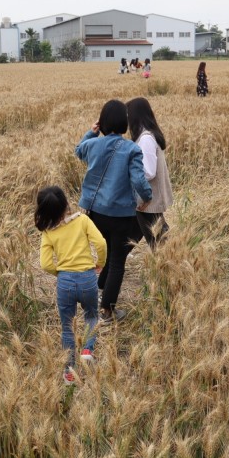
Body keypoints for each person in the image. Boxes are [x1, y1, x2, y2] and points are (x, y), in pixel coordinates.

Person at [75, 100, 152, 323]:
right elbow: (138, 179)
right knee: (117, 261)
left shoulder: (93, 145)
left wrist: (91, 133)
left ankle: (100, 287)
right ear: (125, 123)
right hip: (121, 215)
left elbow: (78, 150)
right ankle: (107, 311)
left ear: (103, 122)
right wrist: (147, 198)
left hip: (95, 213)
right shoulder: (132, 148)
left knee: (104, 252)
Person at [36, 185, 107, 385]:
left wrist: (60, 273)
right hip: (87, 278)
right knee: (92, 315)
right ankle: (87, 349)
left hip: (65, 282)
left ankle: (69, 374)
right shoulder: (82, 221)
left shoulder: (48, 233)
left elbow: (45, 263)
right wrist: (100, 262)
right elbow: (100, 243)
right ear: (66, 204)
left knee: (68, 327)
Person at [126, 97, 174, 249]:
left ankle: (170, 264)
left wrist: (127, 172)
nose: (126, 120)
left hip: (148, 199)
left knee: (157, 240)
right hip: (147, 198)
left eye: (128, 115)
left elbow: (148, 172)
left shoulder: (145, 139)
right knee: (157, 235)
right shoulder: (146, 136)